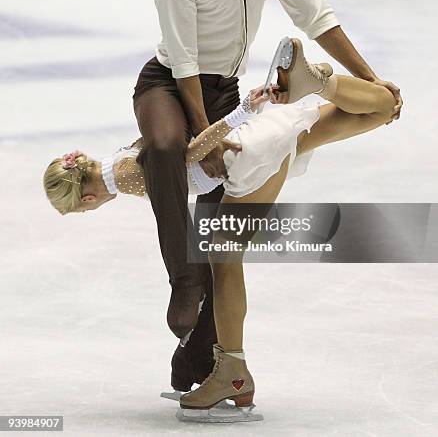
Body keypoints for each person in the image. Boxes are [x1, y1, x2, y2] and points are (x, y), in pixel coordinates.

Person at [132, 0, 403, 392]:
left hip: (225, 91)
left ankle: (202, 361)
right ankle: (180, 278)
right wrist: (204, 136)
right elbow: (183, 62)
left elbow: (315, 16)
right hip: (169, 85)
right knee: (163, 148)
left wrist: (370, 77)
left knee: (220, 237)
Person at [44, 38, 397, 418]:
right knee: (373, 111)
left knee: (222, 255)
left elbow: (193, 151)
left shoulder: (125, 177)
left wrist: (242, 111)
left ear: (87, 200)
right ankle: (318, 83)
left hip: (246, 158)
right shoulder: (118, 161)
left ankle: (232, 371)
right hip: (252, 146)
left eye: (81, 211)